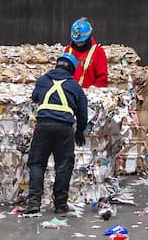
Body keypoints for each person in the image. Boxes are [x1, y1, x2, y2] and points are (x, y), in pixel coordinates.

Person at [24, 52, 89, 215]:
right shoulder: (75, 86)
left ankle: (33, 203)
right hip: (64, 128)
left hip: (43, 126)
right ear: (72, 69)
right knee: (63, 165)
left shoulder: (43, 80)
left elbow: (34, 98)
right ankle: (60, 204)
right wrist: (80, 131)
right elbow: (83, 113)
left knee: (37, 163)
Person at [64, 17, 108, 88]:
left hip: (89, 93)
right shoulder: (69, 50)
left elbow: (102, 78)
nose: (77, 43)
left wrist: (93, 91)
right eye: (76, 41)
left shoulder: (98, 52)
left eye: (81, 41)